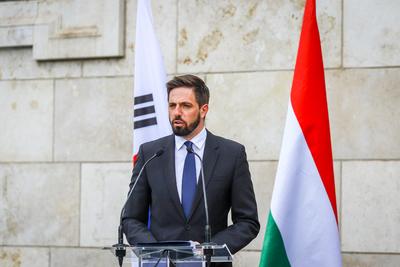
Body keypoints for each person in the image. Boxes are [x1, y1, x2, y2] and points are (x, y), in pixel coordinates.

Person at [122, 74, 260, 266]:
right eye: (172, 105)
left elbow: (247, 222)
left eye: (185, 106)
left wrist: (210, 249)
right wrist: (156, 252)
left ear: (203, 110)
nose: (177, 112)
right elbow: (130, 218)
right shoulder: (151, 153)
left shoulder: (232, 154)